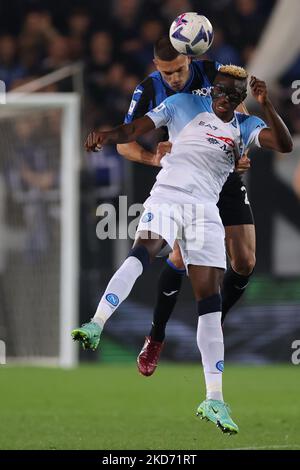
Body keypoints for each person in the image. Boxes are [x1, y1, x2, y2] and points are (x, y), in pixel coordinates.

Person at [72, 66, 292, 434]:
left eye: (233, 96)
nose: (224, 99)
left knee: (210, 301)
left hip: (206, 210)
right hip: (169, 196)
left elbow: (284, 145)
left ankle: (215, 399)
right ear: (211, 89)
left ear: (241, 100)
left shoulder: (245, 125)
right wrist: (105, 136)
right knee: (145, 250)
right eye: (219, 92)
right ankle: (96, 324)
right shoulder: (182, 103)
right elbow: (133, 130)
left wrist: (267, 105)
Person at [117, 36, 252, 377]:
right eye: (167, 73)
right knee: (178, 258)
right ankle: (156, 336)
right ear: (156, 68)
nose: (174, 78)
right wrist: (155, 159)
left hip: (224, 176)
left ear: (191, 58)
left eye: (178, 70)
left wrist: (242, 150)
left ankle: (212, 321)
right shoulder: (148, 89)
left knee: (246, 261)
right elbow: (123, 144)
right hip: (187, 181)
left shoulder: (213, 72)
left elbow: (240, 109)